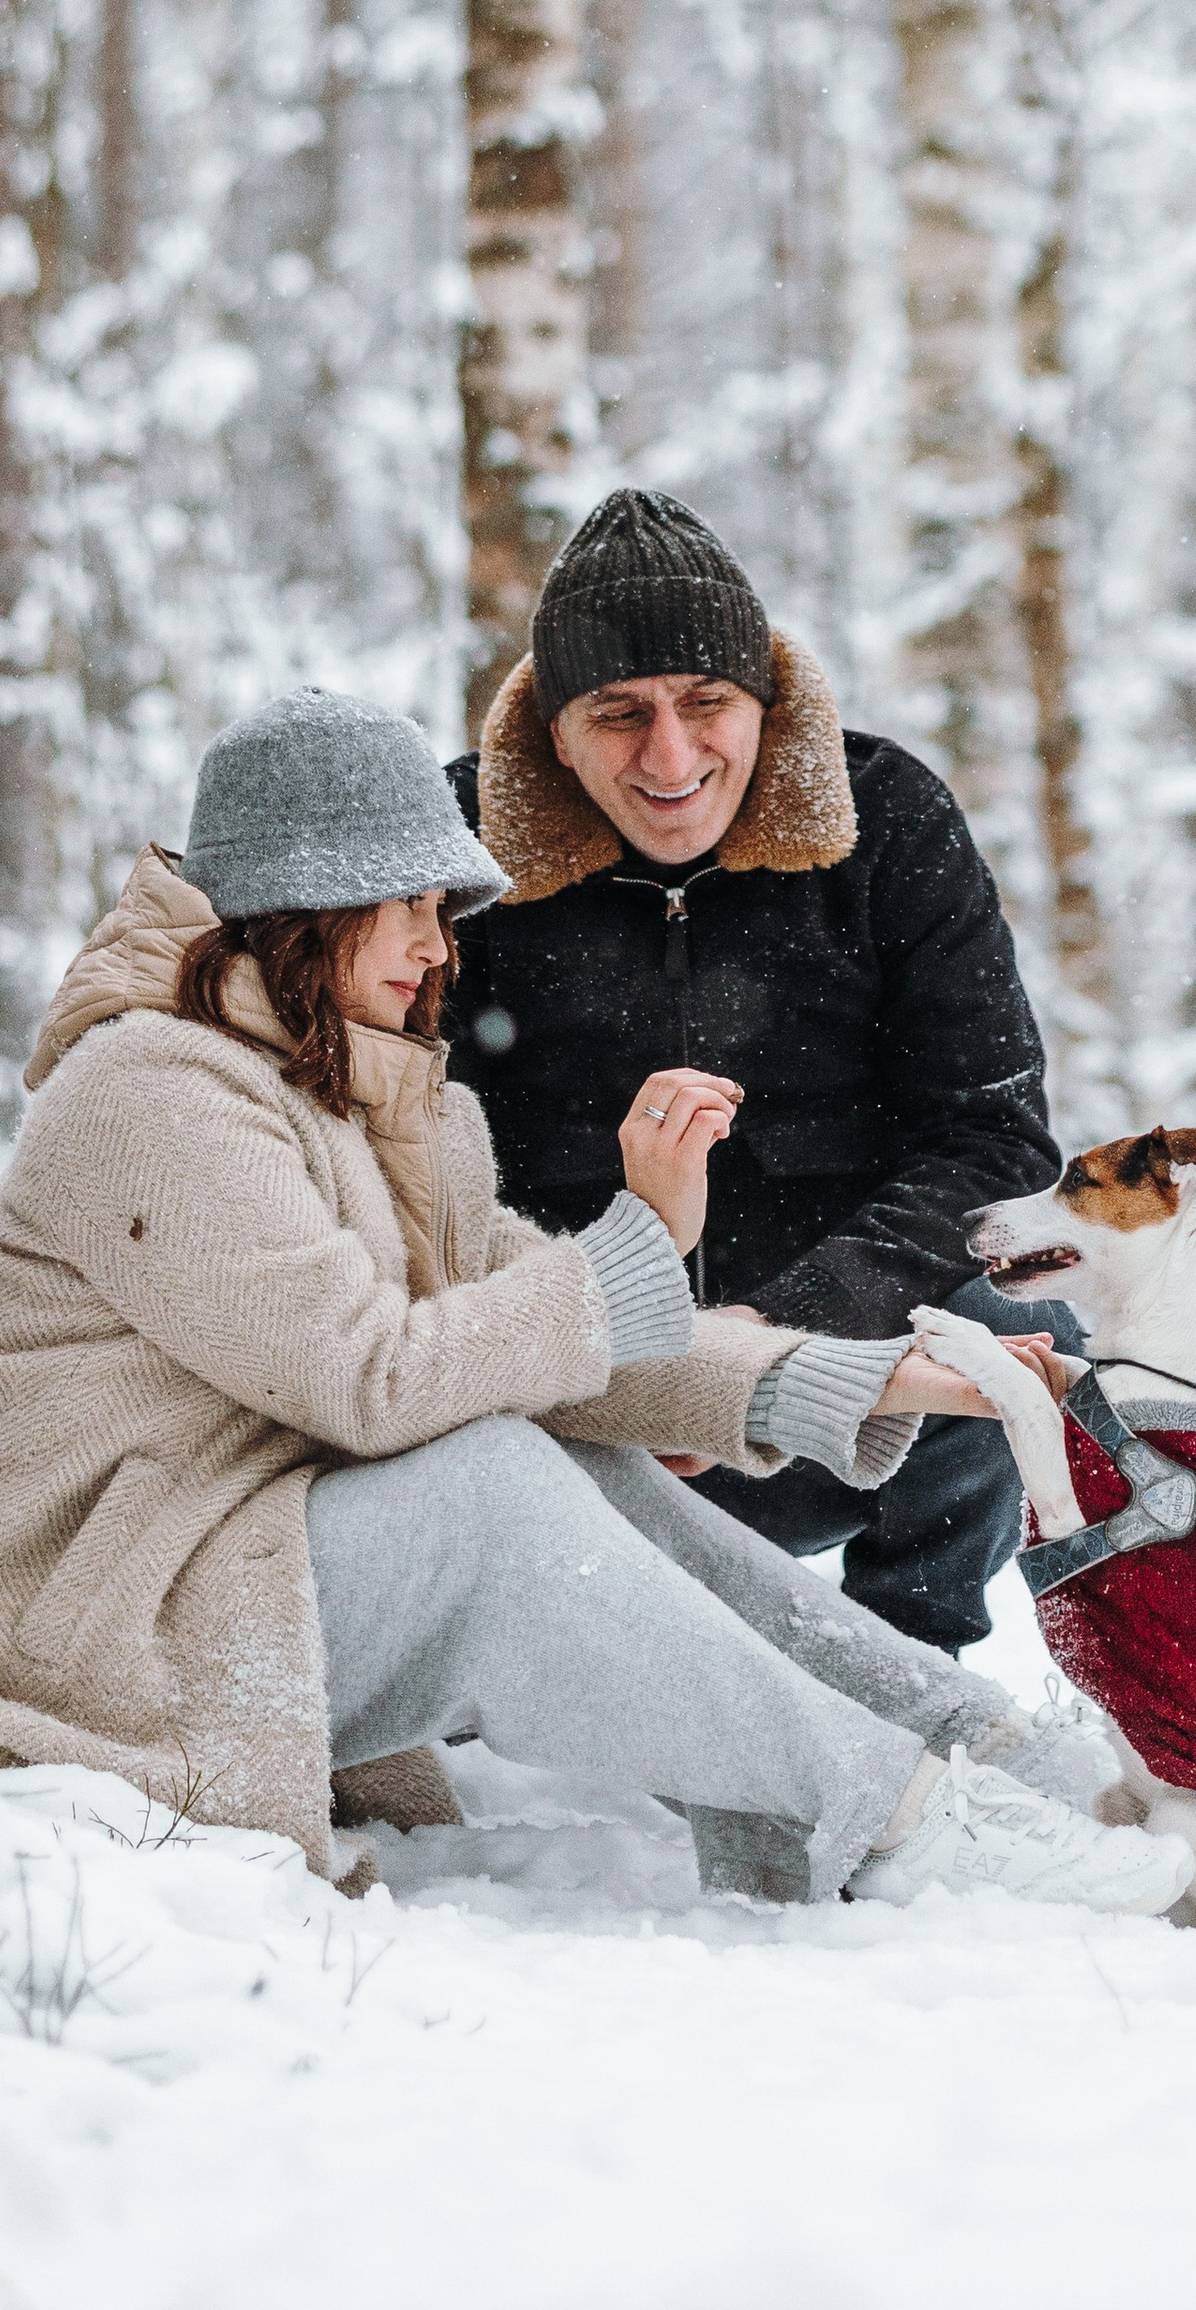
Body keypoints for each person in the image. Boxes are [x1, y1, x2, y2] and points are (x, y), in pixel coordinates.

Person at [0, 688, 1191, 1918]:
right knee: (486, 1484)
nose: (435, 944)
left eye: (439, 909)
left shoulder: (367, 1098)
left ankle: (974, 1748)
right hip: (52, 1606)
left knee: (557, 1450)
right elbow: (372, 1379)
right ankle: (884, 1820)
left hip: (209, 1551)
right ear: (301, 906)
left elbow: (541, 1331)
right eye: (401, 905)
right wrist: (645, 1229)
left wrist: (844, 1379)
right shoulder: (152, 1087)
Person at [448, 486, 1079, 1656]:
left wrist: (767, 1335)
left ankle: (907, 1673)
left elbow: (993, 1144)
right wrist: (630, 1361)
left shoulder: (887, 822)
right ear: (552, 730)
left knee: (1020, 1326)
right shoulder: (456, 859)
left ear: (765, 702)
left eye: (705, 702)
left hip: (836, 1393)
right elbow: (389, 1165)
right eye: (619, 712)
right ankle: (494, 1698)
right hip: (566, 1405)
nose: (672, 754)